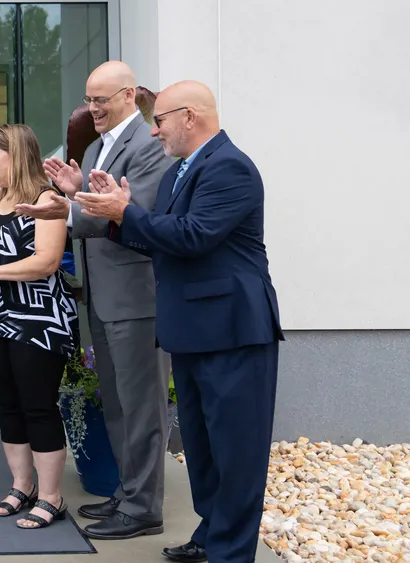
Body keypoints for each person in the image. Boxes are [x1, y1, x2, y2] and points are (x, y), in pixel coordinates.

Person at [74, 80, 283, 563]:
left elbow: (194, 236)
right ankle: (211, 535)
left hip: (233, 331)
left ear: (190, 116)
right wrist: (112, 216)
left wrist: (126, 213)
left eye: (161, 119)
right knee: (204, 449)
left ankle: (231, 553)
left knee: (236, 453)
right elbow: (157, 240)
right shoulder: (178, 174)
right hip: (190, 330)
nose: (153, 131)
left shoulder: (230, 166)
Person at [27, 61, 174, 540]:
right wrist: (71, 193)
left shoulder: (149, 146)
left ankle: (144, 508)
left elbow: (131, 213)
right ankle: (127, 494)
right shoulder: (93, 148)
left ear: (129, 95)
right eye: (89, 99)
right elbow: (94, 207)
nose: (92, 108)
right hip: (103, 296)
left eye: (101, 100)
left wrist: (67, 210)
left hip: (136, 296)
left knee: (142, 406)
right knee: (116, 402)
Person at [0, 124, 78, 530]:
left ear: (18, 155)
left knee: (38, 406)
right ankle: (22, 485)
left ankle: (51, 497)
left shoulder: (49, 200)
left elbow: (47, 261)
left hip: (38, 321)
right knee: (8, 404)